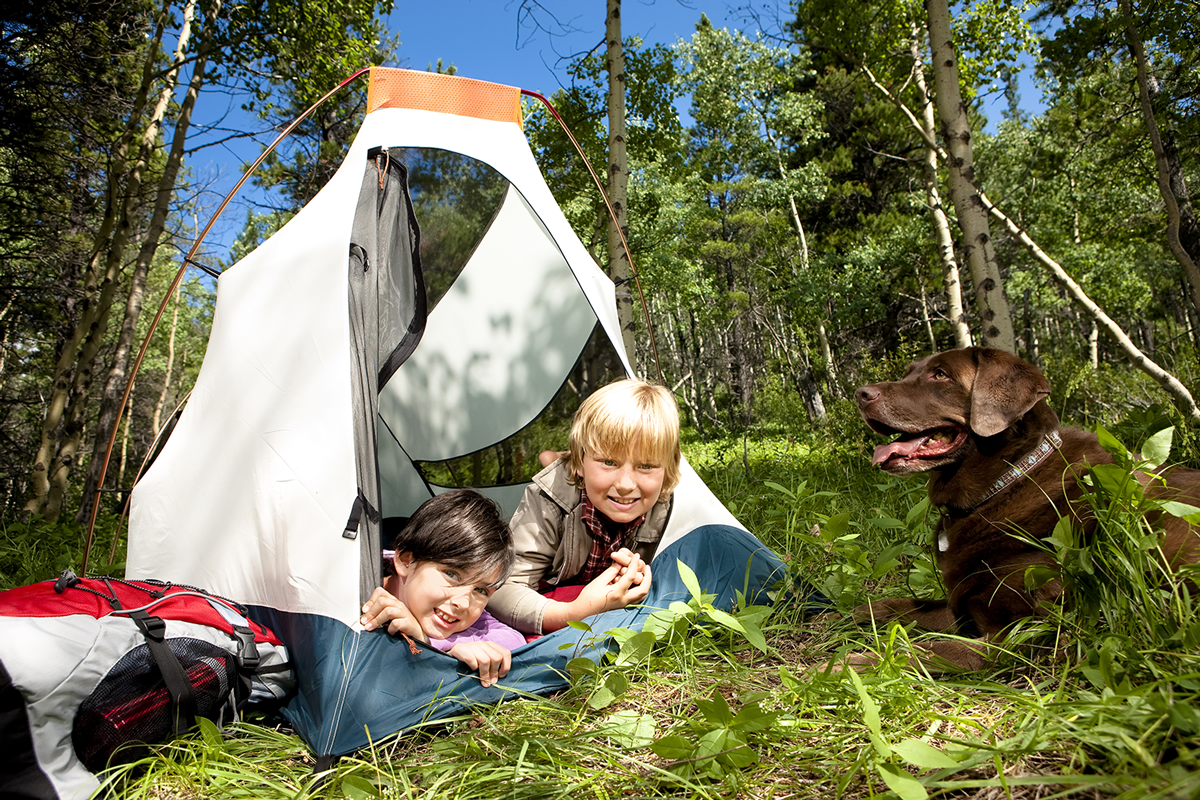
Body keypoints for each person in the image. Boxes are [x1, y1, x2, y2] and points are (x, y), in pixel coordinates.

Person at [489, 378, 681, 636]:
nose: (625, 484)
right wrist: (572, 615)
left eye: (646, 466)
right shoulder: (547, 501)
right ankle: (553, 460)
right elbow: (500, 587)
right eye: (609, 462)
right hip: (561, 599)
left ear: (668, 471)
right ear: (579, 462)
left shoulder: (672, 507)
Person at [359, 489, 523, 687]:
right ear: (405, 561)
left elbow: (515, 642)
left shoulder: (458, 610)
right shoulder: (357, 585)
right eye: (452, 574)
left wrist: (427, 642)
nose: (462, 603)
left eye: (480, 590)